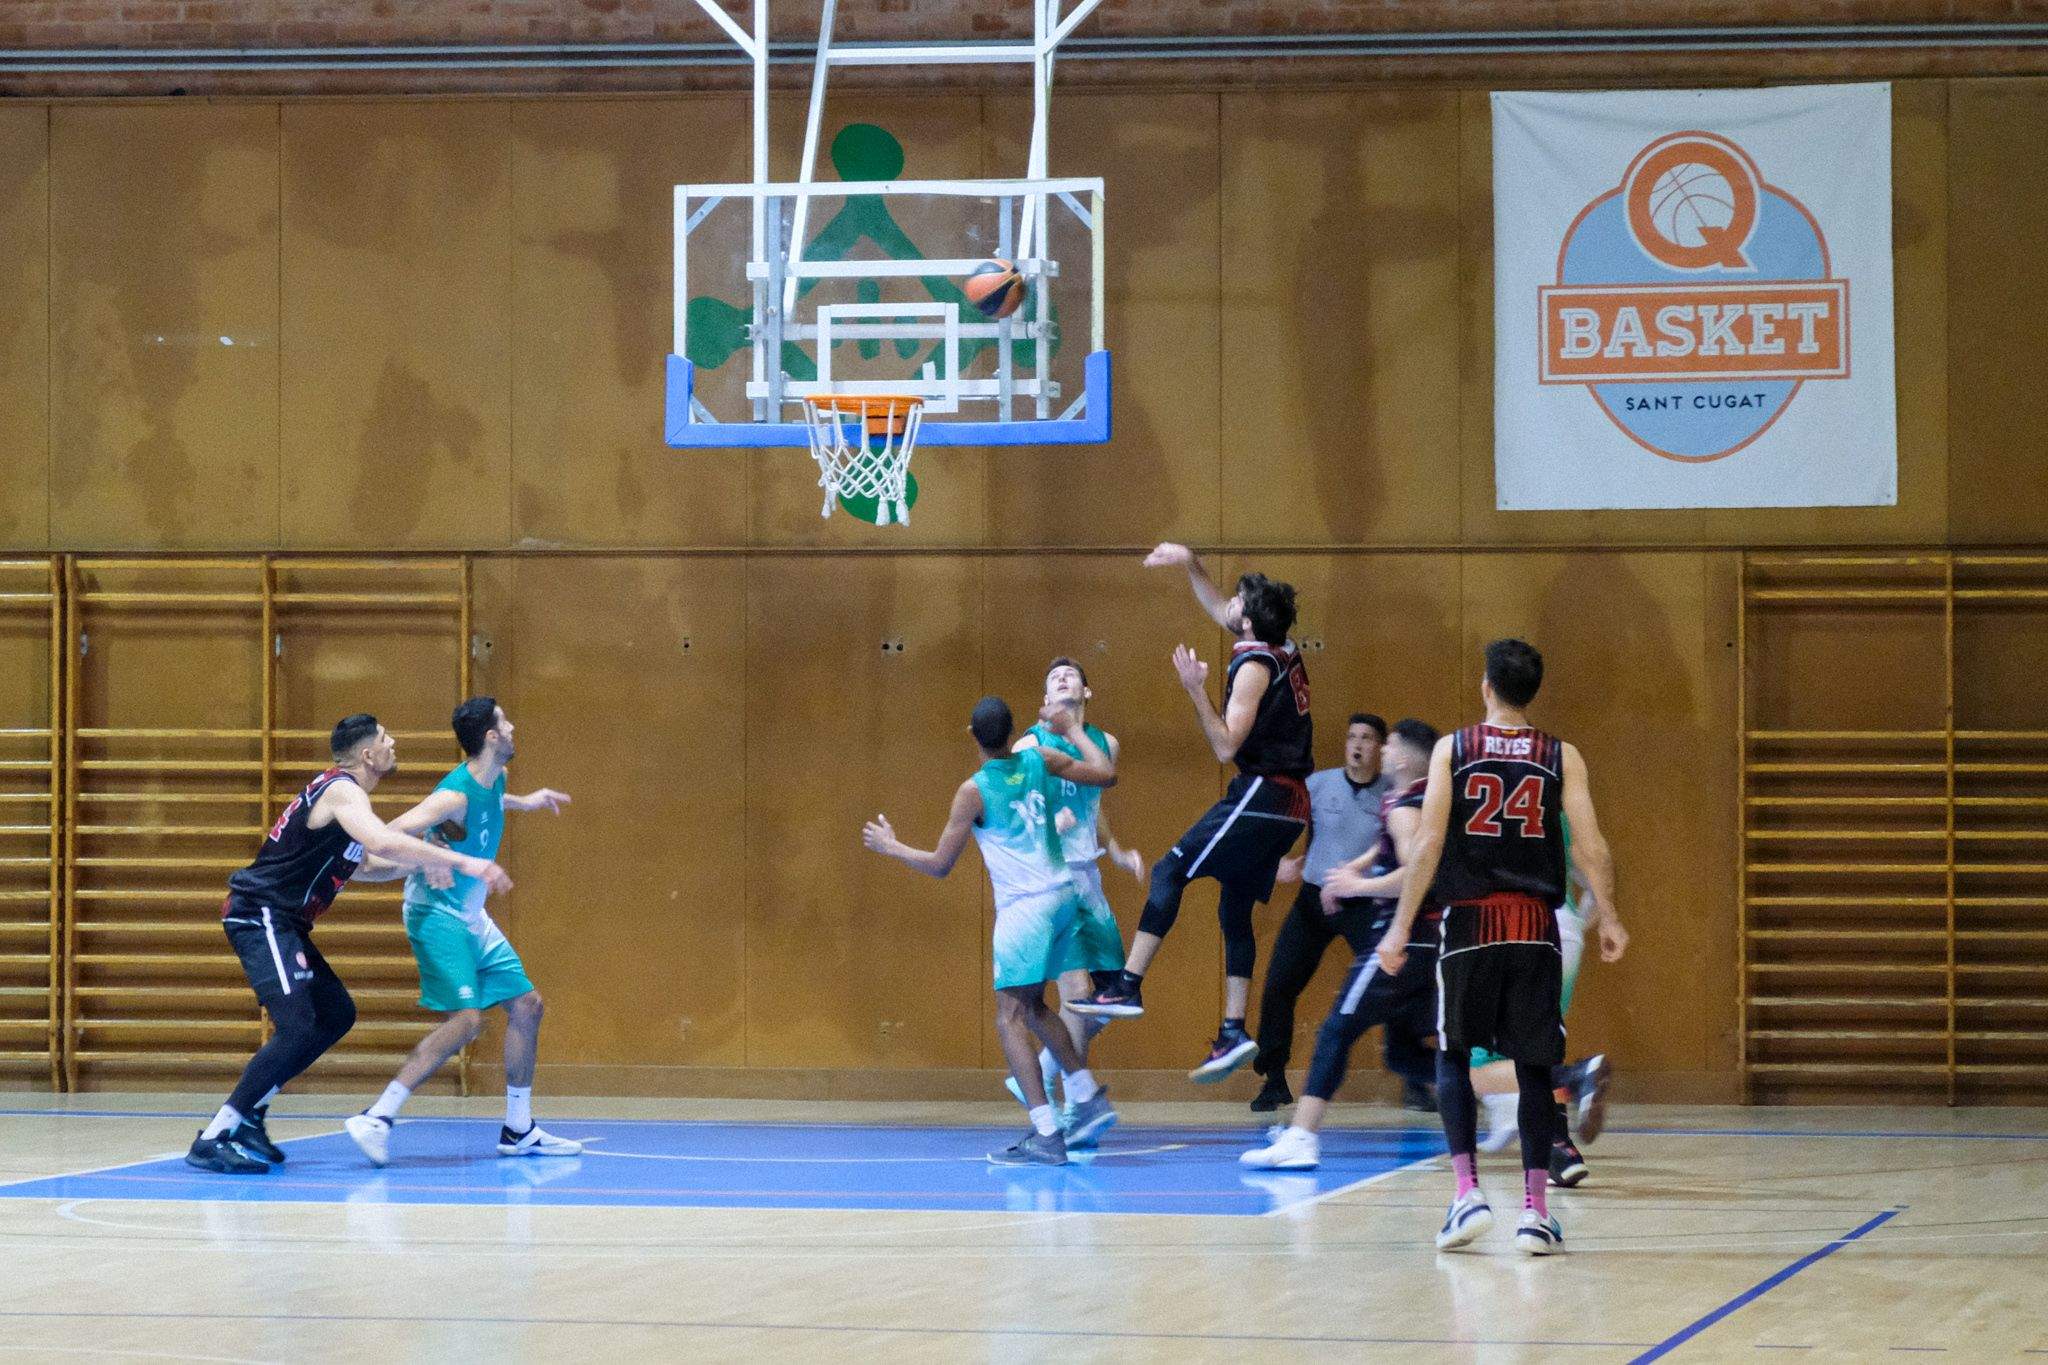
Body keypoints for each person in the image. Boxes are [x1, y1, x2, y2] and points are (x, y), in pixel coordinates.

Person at [1376, 640, 1627, 1255]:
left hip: (1470, 923)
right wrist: (1611, 916)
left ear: (1486, 686)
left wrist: (1400, 926)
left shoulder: (1453, 749)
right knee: (1534, 1066)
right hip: (1537, 925)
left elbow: (1429, 843)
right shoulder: (1561, 755)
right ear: (1532, 691)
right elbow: (1591, 844)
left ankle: (1467, 1195)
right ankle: (1535, 1214)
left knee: (1453, 1056)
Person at [187, 714, 511, 1175]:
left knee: (336, 1013)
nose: (393, 742)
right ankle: (216, 1135)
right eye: (385, 738)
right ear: (366, 754)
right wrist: (465, 861)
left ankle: (251, 1114)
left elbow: (369, 865)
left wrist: (425, 863)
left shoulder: (348, 800)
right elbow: (383, 842)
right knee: (297, 1025)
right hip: (261, 914)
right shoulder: (342, 791)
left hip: (286, 922)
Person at [1071, 544, 1313, 1087]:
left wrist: (1195, 691)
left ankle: (1127, 985)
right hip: (1289, 802)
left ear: (1247, 622)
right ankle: (1233, 1030)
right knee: (1234, 909)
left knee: (1169, 870)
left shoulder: (1254, 668)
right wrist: (1190, 561)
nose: (1228, 605)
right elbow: (1218, 606)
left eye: (1238, 602)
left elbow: (1226, 746)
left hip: (1265, 793)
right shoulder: (1279, 644)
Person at [864, 697, 1120, 1165]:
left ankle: (1047, 1132)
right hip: (1064, 896)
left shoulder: (974, 790)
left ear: (972, 735)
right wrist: (1074, 730)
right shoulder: (1039, 758)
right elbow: (1105, 774)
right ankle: (1086, 1096)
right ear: (1012, 732)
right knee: (1035, 1007)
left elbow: (940, 865)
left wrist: (891, 846)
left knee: (1010, 1019)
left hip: (1026, 909)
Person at [342, 697, 582, 1166]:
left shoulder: (496, 777)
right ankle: (377, 1117)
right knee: (468, 1021)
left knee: (528, 1006)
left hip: (472, 916)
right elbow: (386, 835)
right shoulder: (451, 796)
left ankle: (518, 1129)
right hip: (435, 915)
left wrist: (526, 802)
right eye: (505, 723)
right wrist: (427, 854)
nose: (512, 728)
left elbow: (489, 803)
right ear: (491, 737)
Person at [1241, 718, 1442, 1170]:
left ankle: (1302, 1136)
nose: (1380, 750)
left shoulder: (1405, 807)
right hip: (1427, 942)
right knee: (1403, 1053)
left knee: (1336, 1029)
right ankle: (1528, 1087)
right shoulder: (1417, 799)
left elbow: (1416, 873)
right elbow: (1391, 847)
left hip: (1400, 938)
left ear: (1402, 758)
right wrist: (1353, 867)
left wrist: (1358, 886)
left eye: (1387, 744)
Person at [1003, 658, 1145, 1135]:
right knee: (1079, 997)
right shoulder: (1029, 746)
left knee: (1106, 1001)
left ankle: (1043, 1071)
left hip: (1089, 878)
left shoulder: (1105, 743)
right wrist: (1050, 822)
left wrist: (1116, 850)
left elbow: (1095, 801)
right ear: (1045, 698)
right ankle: (1077, 1107)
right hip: (1051, 882)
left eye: (1071, 675)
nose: (1063, 678)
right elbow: (1013, 811)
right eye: (1053, 677)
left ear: (1087, 692)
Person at [1249, 713, 1395, 1113]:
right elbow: (1278, 825)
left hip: (1363, 903)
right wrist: (1278, 862)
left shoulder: (1392, 793)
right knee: (1279, 985)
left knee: (1390, 981)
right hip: (1312, 902)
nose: (1357, 744)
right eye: (1352, 737)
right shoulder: (1317, 785)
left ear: (1380, 748)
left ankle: (1413, 1077)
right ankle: (1273, 1079)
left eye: (1366, 738)